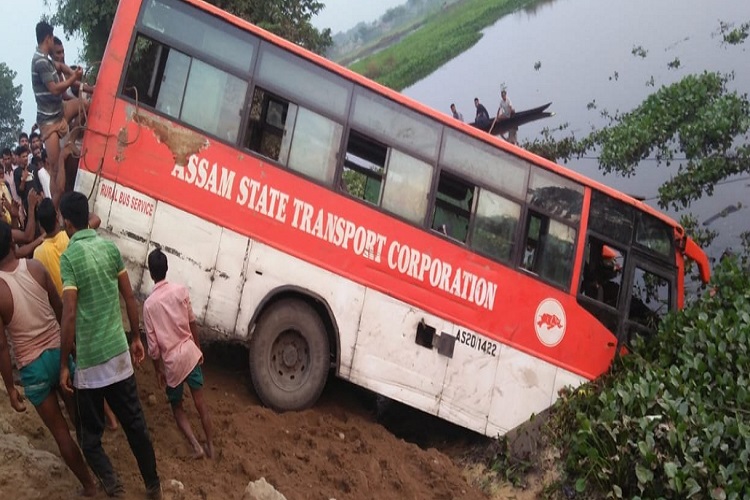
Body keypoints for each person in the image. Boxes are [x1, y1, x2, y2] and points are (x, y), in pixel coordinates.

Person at [58, 191, 161, 498]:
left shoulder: (69, 257)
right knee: (135, 426)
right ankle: (153, 486)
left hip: (90, 364)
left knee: (90, 438)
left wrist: (65, 363)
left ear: (66, 222)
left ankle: (113, 486)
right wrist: (136, 337)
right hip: (119, 356)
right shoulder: (109, 248)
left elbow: (70, 312)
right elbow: (130, 297)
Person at [0, 221, 97, 497]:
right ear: (12, 244)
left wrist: (9, 388)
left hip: (32, 368)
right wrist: (73, 348)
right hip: (59, 353)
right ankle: (98, 465)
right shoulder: (36, 268)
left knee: (60, 433)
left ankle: (89, 486)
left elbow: (2, 349)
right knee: (78, 417)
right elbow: (61, 310)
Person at [144, 248, 214, 459]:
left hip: (172, 364)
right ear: (167, 269)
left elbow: (154, 348)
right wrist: (198, 349)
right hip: (190, 354)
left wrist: (158, 371)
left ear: (150, 272)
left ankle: (195, 446)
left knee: (177, 407)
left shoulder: (149, 306)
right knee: (200, 403)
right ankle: (210, 445)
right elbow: (192, 323)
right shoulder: (181, 291)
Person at [32, 21, 83, 205]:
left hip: (60, 111)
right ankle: (55, 211)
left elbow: (60, 67)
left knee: (85, 105)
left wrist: (76, 77)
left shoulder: (46, 59)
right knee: (55, 169)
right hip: (49, 122)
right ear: (48, 38)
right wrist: (73, 79)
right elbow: (55, 90)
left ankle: (74, 139)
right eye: (53, 38)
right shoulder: (39, 61)